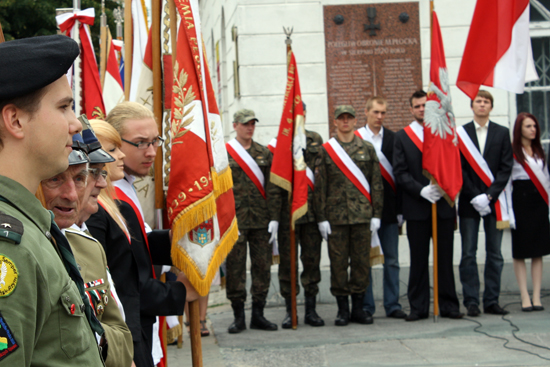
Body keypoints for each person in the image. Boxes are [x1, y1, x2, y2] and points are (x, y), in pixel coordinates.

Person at [0, 35, 104, 365]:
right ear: (15, 120)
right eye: (63, 107)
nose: (75, 123)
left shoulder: (29, 223)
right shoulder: (8, 247)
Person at [103, 103, 197, 367]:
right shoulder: (109, 197)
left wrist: (175, 239)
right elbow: (125, 277)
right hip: (128, 328)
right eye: (141, 143)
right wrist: (179, 293)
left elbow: (138, 244)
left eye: (155, 141)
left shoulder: (125, 185)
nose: (152, 152)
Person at [39, 134, 133, 367]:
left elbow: (123, 340)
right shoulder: (22, 249)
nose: (72, 193)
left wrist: (91, 337)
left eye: (80, 178)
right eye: (55, 179)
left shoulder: (89, 248)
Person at [393, 90, 462, 321]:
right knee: (419, 260)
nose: (422, 109)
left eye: (425, 105)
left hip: (442, 205)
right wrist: (420, 190)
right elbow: (399, 173)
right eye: (417, 106)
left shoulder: (445, 133)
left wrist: (443, 187)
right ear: (411, 110)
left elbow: (453, 165)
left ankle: (449, 305)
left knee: (444, 259)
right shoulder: (402, 137)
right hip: (416, 208)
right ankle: (418, 307)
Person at [313, 105, 384, 326]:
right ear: (335, 122)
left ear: (355, 121)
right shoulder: (326, 151)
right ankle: (342, 310)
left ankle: (359, 309)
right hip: (336, 219)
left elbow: (376, 184)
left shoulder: (367, 149)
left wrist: (377, 214)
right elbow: (320, 187)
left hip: (362, 216)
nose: (345, 122)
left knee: (362, 263)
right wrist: (321, 218)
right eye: (341, 119)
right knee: (338, 264)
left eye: (349, 118)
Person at [458, 90, 513, 317]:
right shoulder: (461, 134)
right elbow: (459, 168)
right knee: (468, 253)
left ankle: (491, 300)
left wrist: (489, 195)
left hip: (494, 202)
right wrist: (475, 195)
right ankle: (471, 301)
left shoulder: (502, 133)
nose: (482, 105)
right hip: (470, 202)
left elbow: (505, 167)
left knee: (495, 253)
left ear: (491, 107)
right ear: (472, 106)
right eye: (478, 101)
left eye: (486, 102)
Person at [225, 109, 279, 333]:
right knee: (235, 268)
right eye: (245, 124)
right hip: (235, 221)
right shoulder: (225, 153)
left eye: (252, 124)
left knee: (262, 267)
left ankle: (259, 313)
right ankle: (238, 316)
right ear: (235, 125)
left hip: (260, 220)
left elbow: (273, 188)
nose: (250, 127)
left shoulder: (264, 154)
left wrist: (275, 217)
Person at [272, 102, 325, 329]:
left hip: (312, 215)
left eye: (301, 113)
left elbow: (321, 180)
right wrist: (274, 218)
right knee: (287, 265)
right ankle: (289, 310)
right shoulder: (279, 143)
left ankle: (311, 310)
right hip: (287, 217)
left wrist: (323, 216)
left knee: (312, 263)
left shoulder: (315, 139)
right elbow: (274, 184)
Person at [357, 97, 406, 320]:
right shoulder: (356, 139)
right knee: (364, 260)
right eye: (376, 112)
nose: (379, 117)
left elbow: (400, 175)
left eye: (383, 113)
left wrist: (400, 209)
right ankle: (366, 306)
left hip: (388, 210)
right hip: (362, 211)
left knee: (392, 259)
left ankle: (392, 304)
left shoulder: (395, 139)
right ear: (366, 112)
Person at [506, 113, 550, 312]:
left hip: (539, 201)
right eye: (528, 126)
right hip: (520, 201)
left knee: (538, 251)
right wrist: (508, 213)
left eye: (534, 126)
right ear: (519, 129)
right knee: (521, 251)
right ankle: (524, 296)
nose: (533, 129)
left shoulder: (539, 150)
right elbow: (507, 183)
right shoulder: (512, 152)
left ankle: (537, 296)